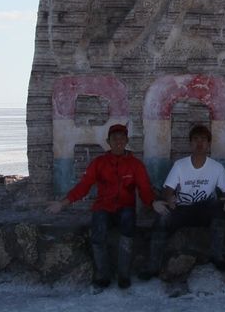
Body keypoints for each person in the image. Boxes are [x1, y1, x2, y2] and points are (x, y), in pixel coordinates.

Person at [46, 123, 154, 290]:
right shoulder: (99, 163)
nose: (118, 142)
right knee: (98, 227)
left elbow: (145, 189)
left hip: (125, 207)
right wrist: (62, 203)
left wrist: (154, 203)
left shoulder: (135, 164)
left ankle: (123, 274)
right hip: (104, 207)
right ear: (108, 141)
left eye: (122, 138)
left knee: (128, 221)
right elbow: (83, 186)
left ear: (127, 140)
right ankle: (103, 275)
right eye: (114, 138)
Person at [140, 123, 225, 278]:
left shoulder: (216, 167)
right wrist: (169, 198)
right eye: (196, 139)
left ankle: (217, 256)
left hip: (205, 210)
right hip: (183, 209)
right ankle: (153, 265)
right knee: (162, 216)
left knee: (219, 206)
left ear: (208, 144)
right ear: (190, 143)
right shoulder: (180, 165)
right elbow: (168, 189)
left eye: (203, 140)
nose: (199, 143)